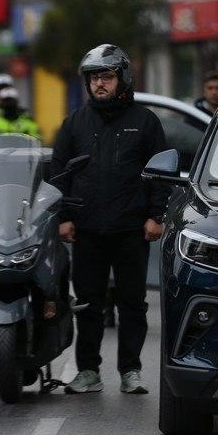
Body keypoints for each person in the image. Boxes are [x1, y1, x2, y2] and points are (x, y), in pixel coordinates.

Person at [51, 44, 169, 395]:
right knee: (88, 304)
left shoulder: (145, 122)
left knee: (133, 304)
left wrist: (156, 216)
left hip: (132, 229)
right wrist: (63, 217)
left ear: (123, 79)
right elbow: (59, 174)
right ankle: (88, 371)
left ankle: (131, 371)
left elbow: (161, 172)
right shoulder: (74, 123)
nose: (99, 84)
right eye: (93, 78)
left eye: (106, 76)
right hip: (87, 229)